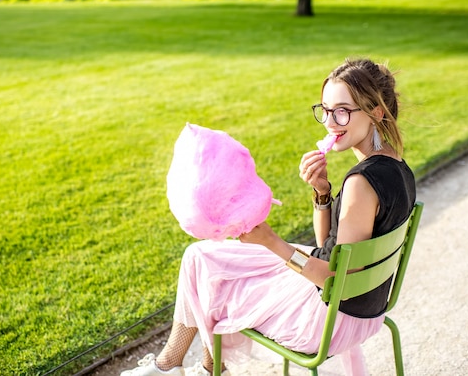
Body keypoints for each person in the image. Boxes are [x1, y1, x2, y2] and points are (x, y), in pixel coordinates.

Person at [121, 58, 417, 376]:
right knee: (201, 257)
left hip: (328, 320)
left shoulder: (361, 183)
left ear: (377, 111)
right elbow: (329, 250)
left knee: (216, 277)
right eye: (326, 110)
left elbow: (336, 282)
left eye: (343, 110)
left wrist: (272, 241)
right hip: (366, 310)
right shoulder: (397, 167)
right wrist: (321, 193)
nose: (331, 122)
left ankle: (183, 368)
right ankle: (186, 366)